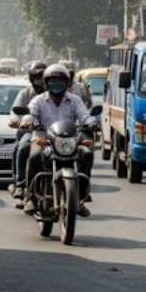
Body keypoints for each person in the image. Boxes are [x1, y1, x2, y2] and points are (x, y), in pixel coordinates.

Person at [20, 64, 96, 217]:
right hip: (44, 140)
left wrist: (91, 122)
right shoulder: (39, 100)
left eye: (60, 81)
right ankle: (30, 197)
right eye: (52, 81)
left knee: (87, 154)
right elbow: (30, 114)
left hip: (69, 141)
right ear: (46, 83)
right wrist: (27, 121)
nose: (56, 84)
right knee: (34, 156)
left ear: (67, 83)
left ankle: (81, 196)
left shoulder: (74, 100)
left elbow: (84, 115)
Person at [7, 61, 46, 200]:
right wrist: (17, 121)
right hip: (30, 131)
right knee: (23, 147)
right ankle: (21, 183)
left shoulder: (57, 94)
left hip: (53, 133)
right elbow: (15, 110)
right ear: (31, 78)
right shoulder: (26, 94)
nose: (40, 81)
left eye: (43, 77)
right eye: (37, 77)